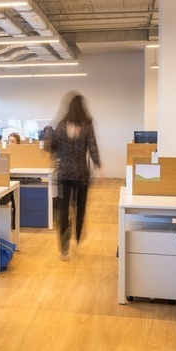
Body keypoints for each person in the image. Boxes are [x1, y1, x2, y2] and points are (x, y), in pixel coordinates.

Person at [48, 92, 101, 261]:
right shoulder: (87, 124)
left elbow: (51, 146)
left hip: (64, 172)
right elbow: (92, 146)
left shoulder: (62, 125)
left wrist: (49, 133)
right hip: (81, 174)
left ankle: (64, 247)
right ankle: (78, 234)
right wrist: (98, 167)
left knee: (63, 209)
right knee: (80, 206)